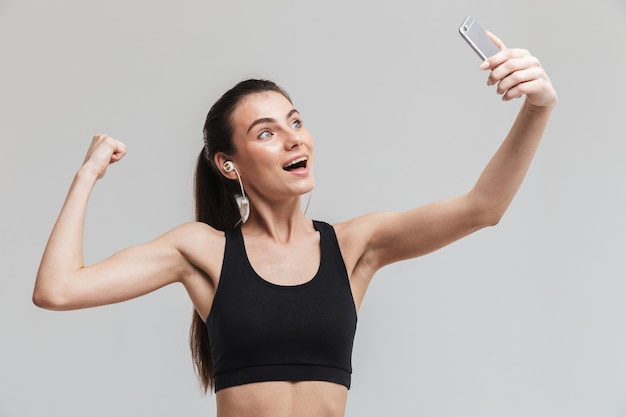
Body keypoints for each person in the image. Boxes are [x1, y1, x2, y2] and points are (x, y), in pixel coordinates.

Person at [33, 32, 557, 417]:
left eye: (296, 122)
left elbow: (483, 208)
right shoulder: (202, 251)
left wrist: (537, 106)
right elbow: (57, 290)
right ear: (228, 165)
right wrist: (88, 173)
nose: (293, 139)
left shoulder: (356, 245)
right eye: (266, 133)